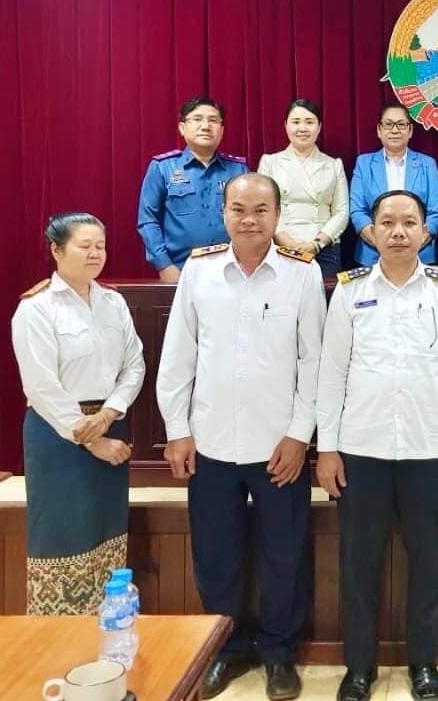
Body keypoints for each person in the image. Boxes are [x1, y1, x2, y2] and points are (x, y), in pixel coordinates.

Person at [157, 173, 326, 700]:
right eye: (238, 209)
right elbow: (178, 355)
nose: (249, 220)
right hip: (210, 442)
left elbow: (314, 362)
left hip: (279, 448)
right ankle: (224, 651)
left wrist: (299, 435)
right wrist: (177, 430)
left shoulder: (302, 273)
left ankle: (279, 654)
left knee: (283, 557)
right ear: (224, 213)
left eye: (260, 210)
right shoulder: (199, 271)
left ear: (277, 215)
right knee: (216, 556)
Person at [315, 190, 438, 701]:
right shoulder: (350, 292)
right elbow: (331, 374)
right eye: (388, 222)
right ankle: (358, 669)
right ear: (372, 231)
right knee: (358, 565)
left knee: (429, 565)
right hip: (361, 450)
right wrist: (327, 447)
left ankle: (423, 664)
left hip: (429, 450)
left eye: (409, 222)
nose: (399, 231)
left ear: (426, 232)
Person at [11, 212, 144, 616]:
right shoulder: (37, 308)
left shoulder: (113, 302)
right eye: (84, 246)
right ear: (56, 250)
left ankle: (108, 625)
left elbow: (134, 364)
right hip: (58, 436)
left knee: (105, 533)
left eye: (100, 246)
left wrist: (107, 416)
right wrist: (92, 439)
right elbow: (41, 386)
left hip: (109, 426)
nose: (95, 254)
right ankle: (58, 635)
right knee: (61, 536)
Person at [137, 96, 247, 283]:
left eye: (213, 120)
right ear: (182, 128)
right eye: (197, 119)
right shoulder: (163, 167)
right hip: (180, 270)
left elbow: (248, 218)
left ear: (221, 130)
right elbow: (148, 220)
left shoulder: (238, 169)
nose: (205, 126)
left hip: (232, 268)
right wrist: (164, 265)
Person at [258, 98, 350, 278]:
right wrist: (288, 243)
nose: (302, 128)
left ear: (319, 127)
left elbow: (341, 212)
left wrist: (316, 244)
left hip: (324, 248)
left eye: (309, 122)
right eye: (296, 122)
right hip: (281, 245)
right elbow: (264, 209)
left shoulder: (333, 165)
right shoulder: (270, 163)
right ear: (285, 125)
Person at [348, 102, 438, 267]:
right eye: (388, 124)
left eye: (401, 124)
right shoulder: (364, 163)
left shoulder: (427, 164)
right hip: (373, 254)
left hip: (420, 254)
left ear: (410, 130)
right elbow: (358, 211)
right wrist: (381, 242)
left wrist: (414, 243)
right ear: (379, 130)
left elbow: (436, 212)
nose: (395, 130)